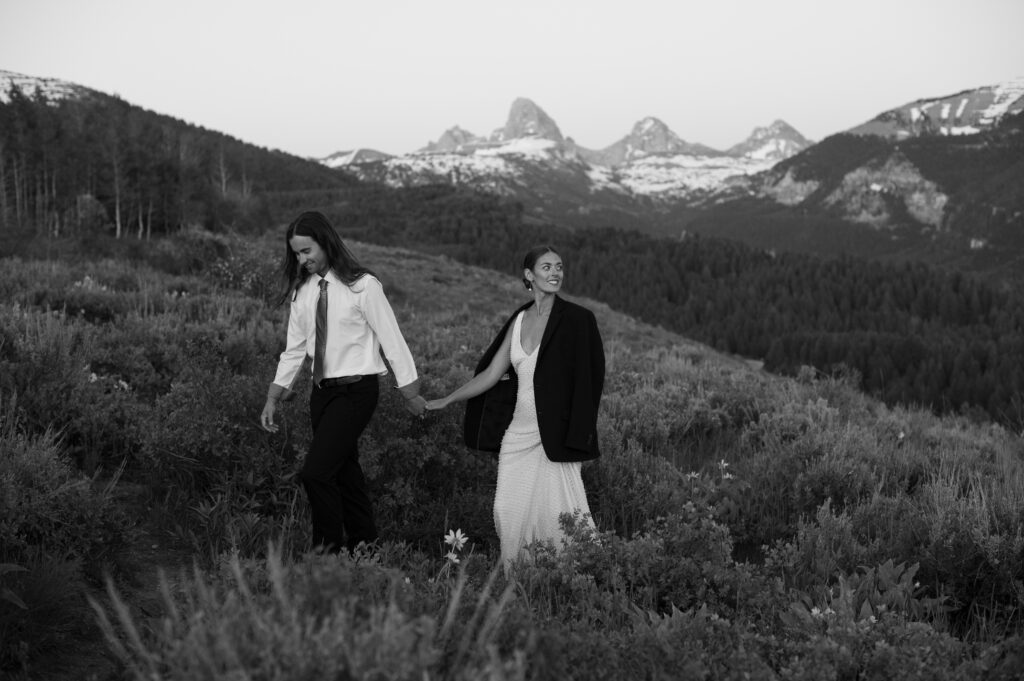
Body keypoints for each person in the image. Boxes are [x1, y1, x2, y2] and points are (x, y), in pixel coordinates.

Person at [425, 245, 605, 568]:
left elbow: (592, 379)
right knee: (508, 511)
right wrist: (449, 398)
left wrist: (580, 436)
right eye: (547, 267)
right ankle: (520, 580)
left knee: (560, 515)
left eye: (559, 267)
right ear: (529, 275)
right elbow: (492, 374)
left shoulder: (579, 320)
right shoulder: (519, 320)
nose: (555, 273)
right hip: (517, 437)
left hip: (557, 438)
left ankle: (576, 578)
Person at [260, 210, 426, 554]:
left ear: (325, 241)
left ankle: (326, 555)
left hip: (357, 391)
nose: (301, 259)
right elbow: (294, 350)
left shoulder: (362, 285)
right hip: (321, 395)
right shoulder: (302, 292)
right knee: (346, 473)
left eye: (307, 251)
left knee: (316, 473)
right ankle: (367, 550)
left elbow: (392, 338)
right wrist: (274, 396)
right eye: (296, 253)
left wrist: (409, 391)